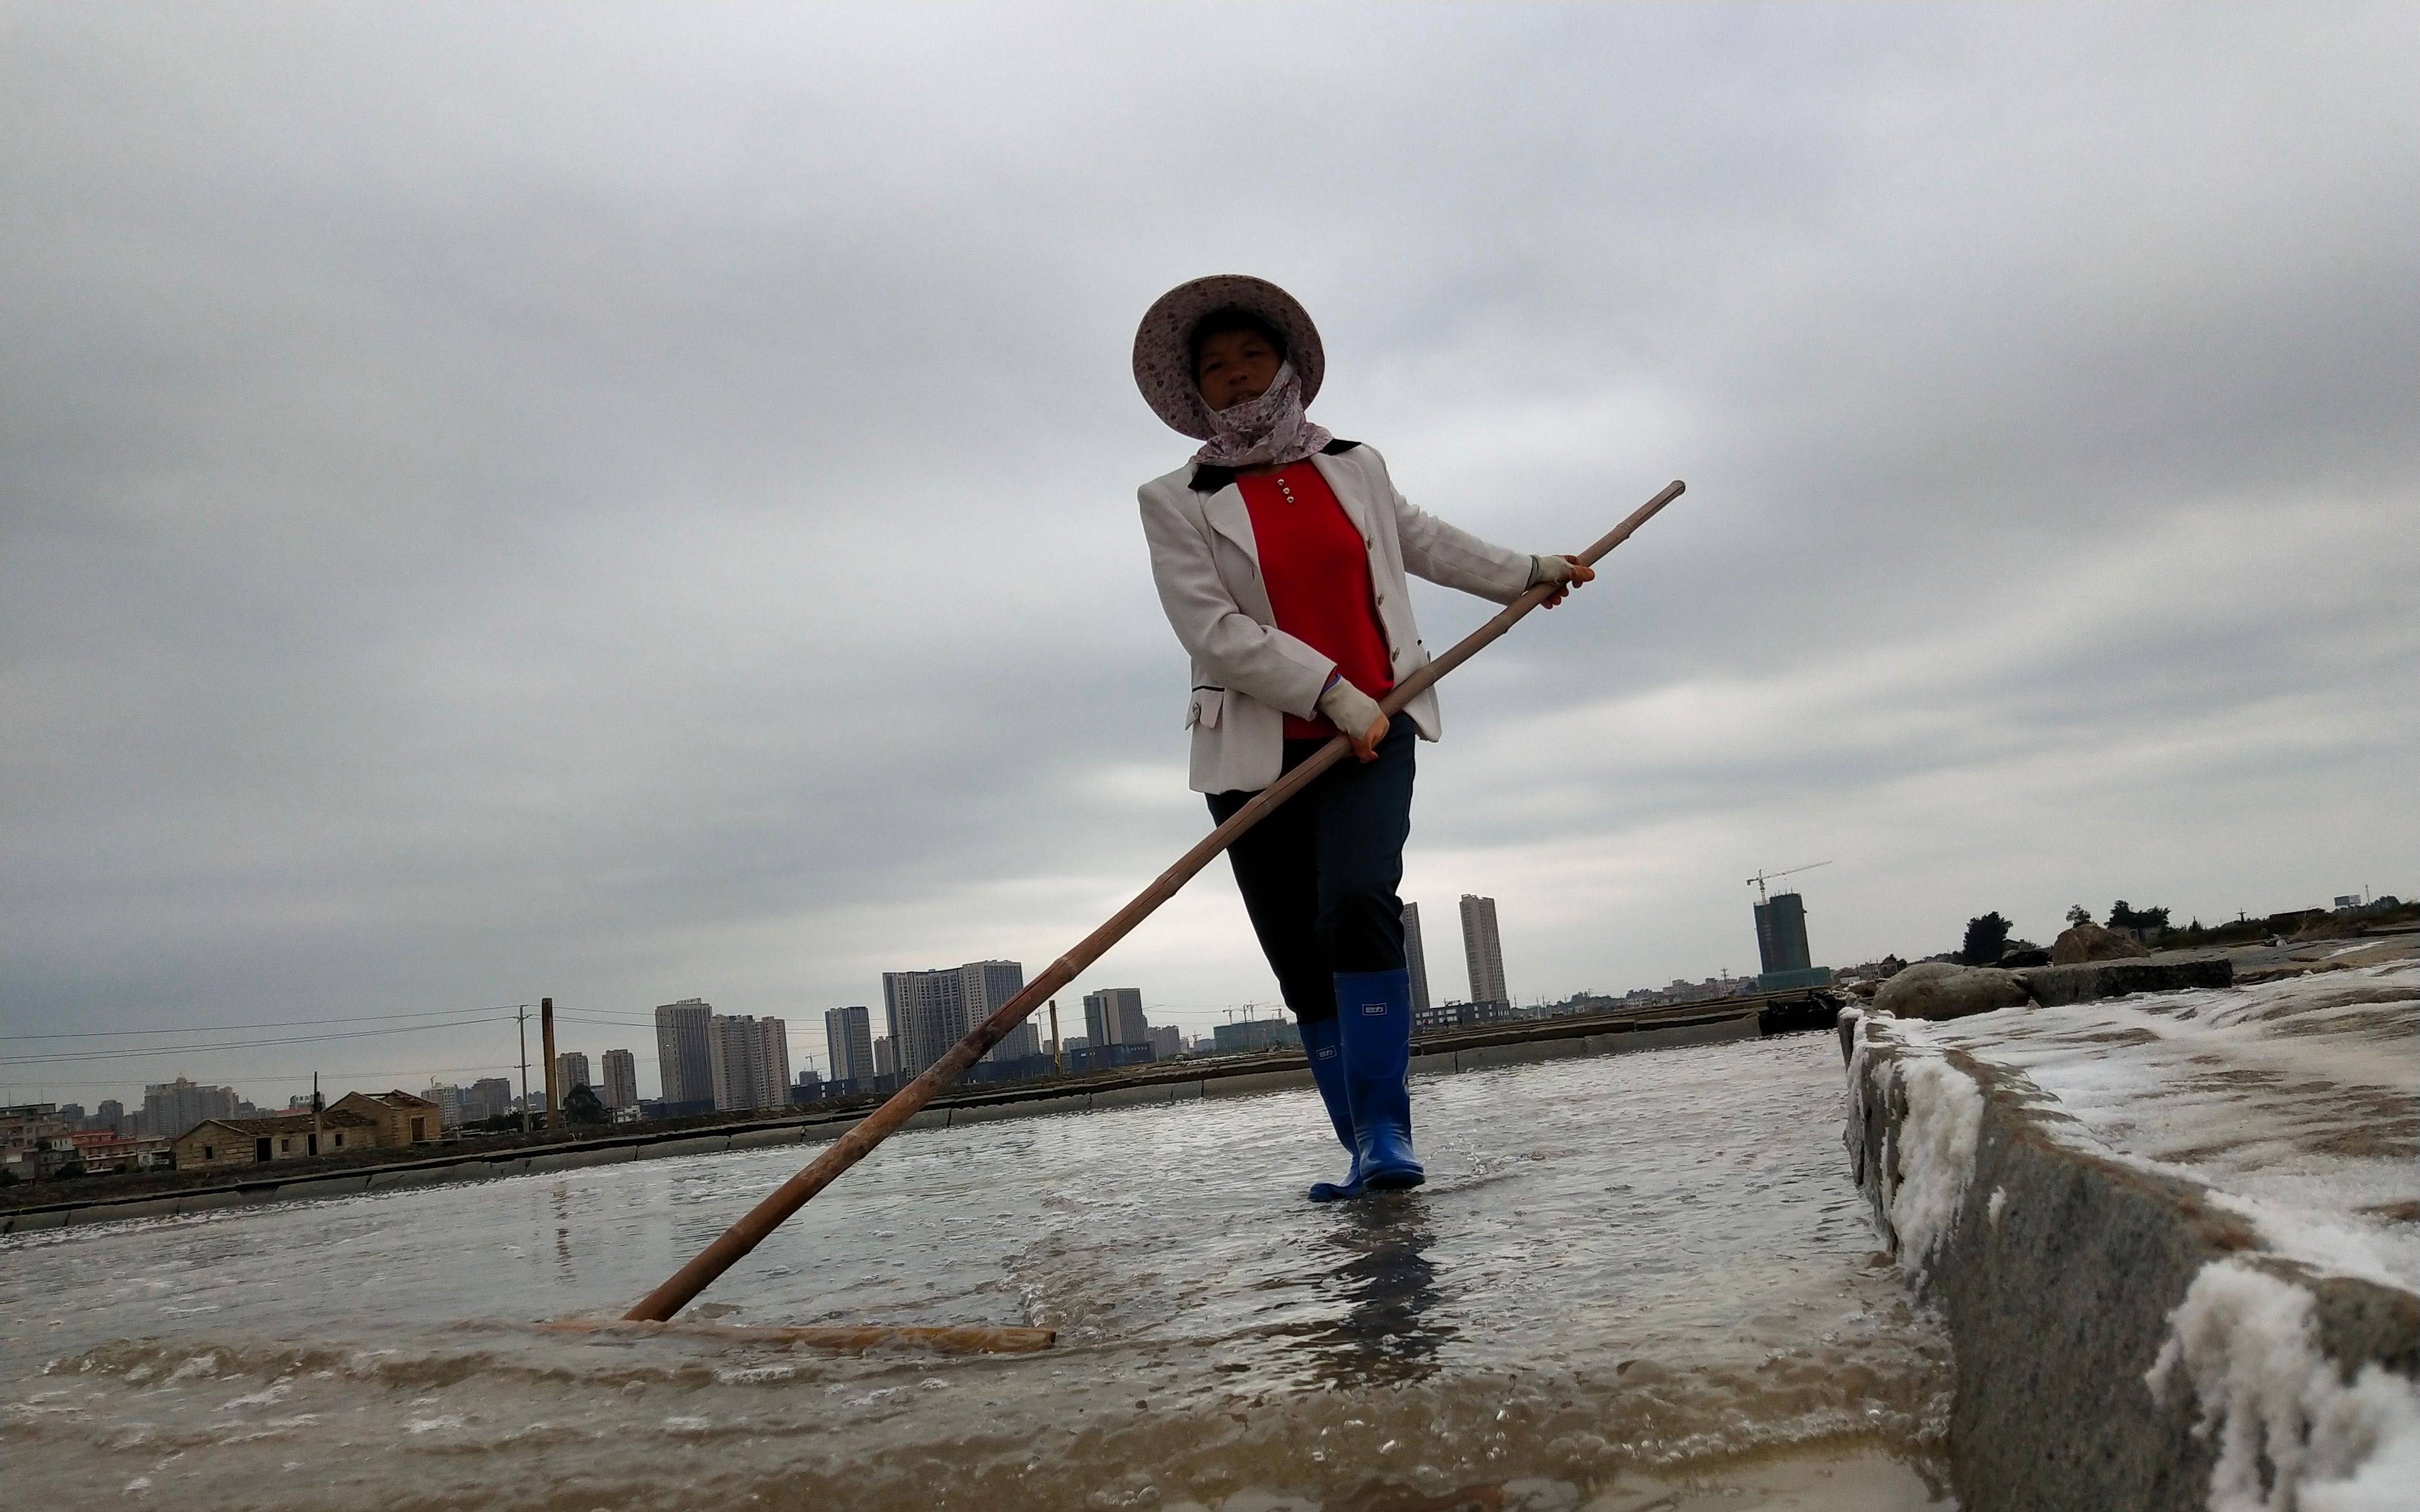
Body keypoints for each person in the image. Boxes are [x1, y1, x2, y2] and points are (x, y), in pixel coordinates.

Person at [1131, 275, 1592, 1200]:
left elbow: (1423, 541)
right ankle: (1360, 1151)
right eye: (1214, 368)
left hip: (1372, 733)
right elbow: (1211, 628)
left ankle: (1388, 1127)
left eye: (1250, 357)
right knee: (1301, 956)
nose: (1234, 377)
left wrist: (1527, 573)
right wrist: (1326, 689)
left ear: (1287, 365)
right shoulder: (1175, 499)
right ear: (1194, 393)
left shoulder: (1356, 465)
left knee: (1355, 901)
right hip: (1254, 750)